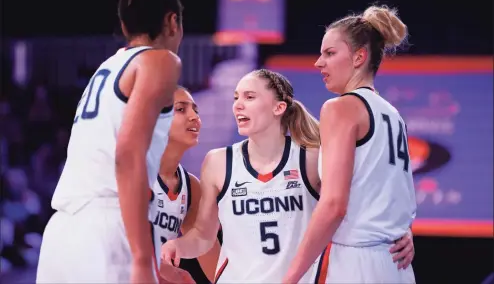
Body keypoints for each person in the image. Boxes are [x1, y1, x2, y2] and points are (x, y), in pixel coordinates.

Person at [160, 69, 415, 283]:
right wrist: (178, 246)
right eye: (236, 97)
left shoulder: (312, 158)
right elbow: (204, 236)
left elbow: (364, 198)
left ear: (279, 107)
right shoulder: (217, 162)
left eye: (250, 97)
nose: (238, 104)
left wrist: (399, 232)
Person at [36, 0, 183, 283]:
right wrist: (143, 260)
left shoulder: (108, 67)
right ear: (173, 22)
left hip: (62, 234)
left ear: (124, 24)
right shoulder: (161, 61)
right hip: (108, 228)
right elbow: (127, 156)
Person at [283, 5, 417, 284]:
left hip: (357, 263)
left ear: (359, 57)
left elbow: (334, 205)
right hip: (397, 266)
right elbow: (392, 195)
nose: (319, 62)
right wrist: (403, 231)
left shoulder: (340, 108)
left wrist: (291, 277)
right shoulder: (393, 115)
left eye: (330, 53)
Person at [149, 87, 220, 283]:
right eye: (181, 109)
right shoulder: (133, 172)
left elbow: (215, 265)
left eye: (195, 110)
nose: (194, 117)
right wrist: (173, 274)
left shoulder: (190, 186)